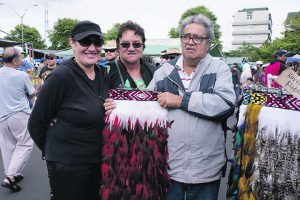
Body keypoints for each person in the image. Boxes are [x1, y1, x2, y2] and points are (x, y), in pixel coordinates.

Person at [147, 14, 235, 200]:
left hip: (206, 166)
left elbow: (225, 104)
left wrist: (180, 101)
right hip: (169, 166)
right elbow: (147, 108)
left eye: (198, 38)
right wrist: (119, 105)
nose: (191, 42)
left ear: (208, 43)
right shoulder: (163, 72)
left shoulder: (219, 69)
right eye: (186, 36)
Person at [28, 20, 108, 200]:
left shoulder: (102, 74)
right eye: (85, 42)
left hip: (97, 163)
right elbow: (36, 123)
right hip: (68, 167)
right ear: (72, 43)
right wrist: (55, 152)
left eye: (97, 42)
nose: (92, 47)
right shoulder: (61, 76)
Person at [0, 47, 35, 192]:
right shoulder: (21, 76)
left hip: (2, 116)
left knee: (7, 147)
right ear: (14, 60)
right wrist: (37, 90)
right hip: (19, 115)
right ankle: (10, 176)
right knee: (25, 144)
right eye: (20, 58)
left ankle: (13, 175)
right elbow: (32, 94)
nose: (22, 60)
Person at [107, 20, 157, 89]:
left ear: (143, 46)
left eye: (136, 44)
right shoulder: (106, 72)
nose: (131, 49)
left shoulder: (156, 72)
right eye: (125, 44)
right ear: (118, 47)